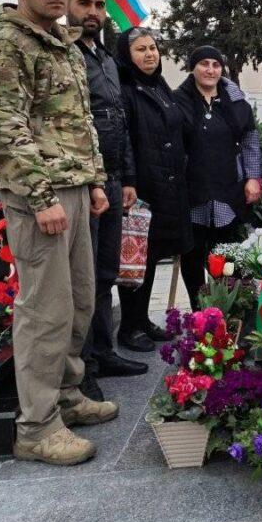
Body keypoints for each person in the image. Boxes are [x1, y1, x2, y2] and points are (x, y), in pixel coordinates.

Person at [0, 0, 117, 466]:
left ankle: (67, 396)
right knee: (44, 309)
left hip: (73, 188)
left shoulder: (62, 42)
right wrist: (40, 196)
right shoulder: (4, 44)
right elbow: (2, 128)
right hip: (39, 197)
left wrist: (94, 181)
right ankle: (36, 426)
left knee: (79, 300)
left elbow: (79, 121)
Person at [66, 0, 148, 400]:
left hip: (114, 180)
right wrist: (98, 181)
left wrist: (128, 178)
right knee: (82, 278)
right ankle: (82, 367)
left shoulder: (106, 59)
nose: (93, 12)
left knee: (105, 272)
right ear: (68, 5)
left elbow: (119, 121)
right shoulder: (66, 55)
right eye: (84, 4)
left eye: (99, 5)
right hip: (85, 182)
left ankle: (103, 350)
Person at [115, 27, 192, 352]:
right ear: (126, 56)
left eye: (152, 48)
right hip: (141, 188)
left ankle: (143, 319)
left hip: (167, 185)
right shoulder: (125, 90)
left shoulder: (159, 85)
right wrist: (129, 180)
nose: (149, 54)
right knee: (135, 258)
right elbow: (123, 141)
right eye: (141, 50)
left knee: (151, 256)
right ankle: (129, 327)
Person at [174, 45, 262, 310]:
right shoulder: (177, 101)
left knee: (227, 258)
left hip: (228, 190)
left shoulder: (236, 104)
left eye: (215, 64)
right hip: (192, 190)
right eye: (204, 64)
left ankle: (228, 311)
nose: (210, 70)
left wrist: (253, 177)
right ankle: (200, 312)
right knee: (192, 256)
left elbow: (250, 142)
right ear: (193, 68)